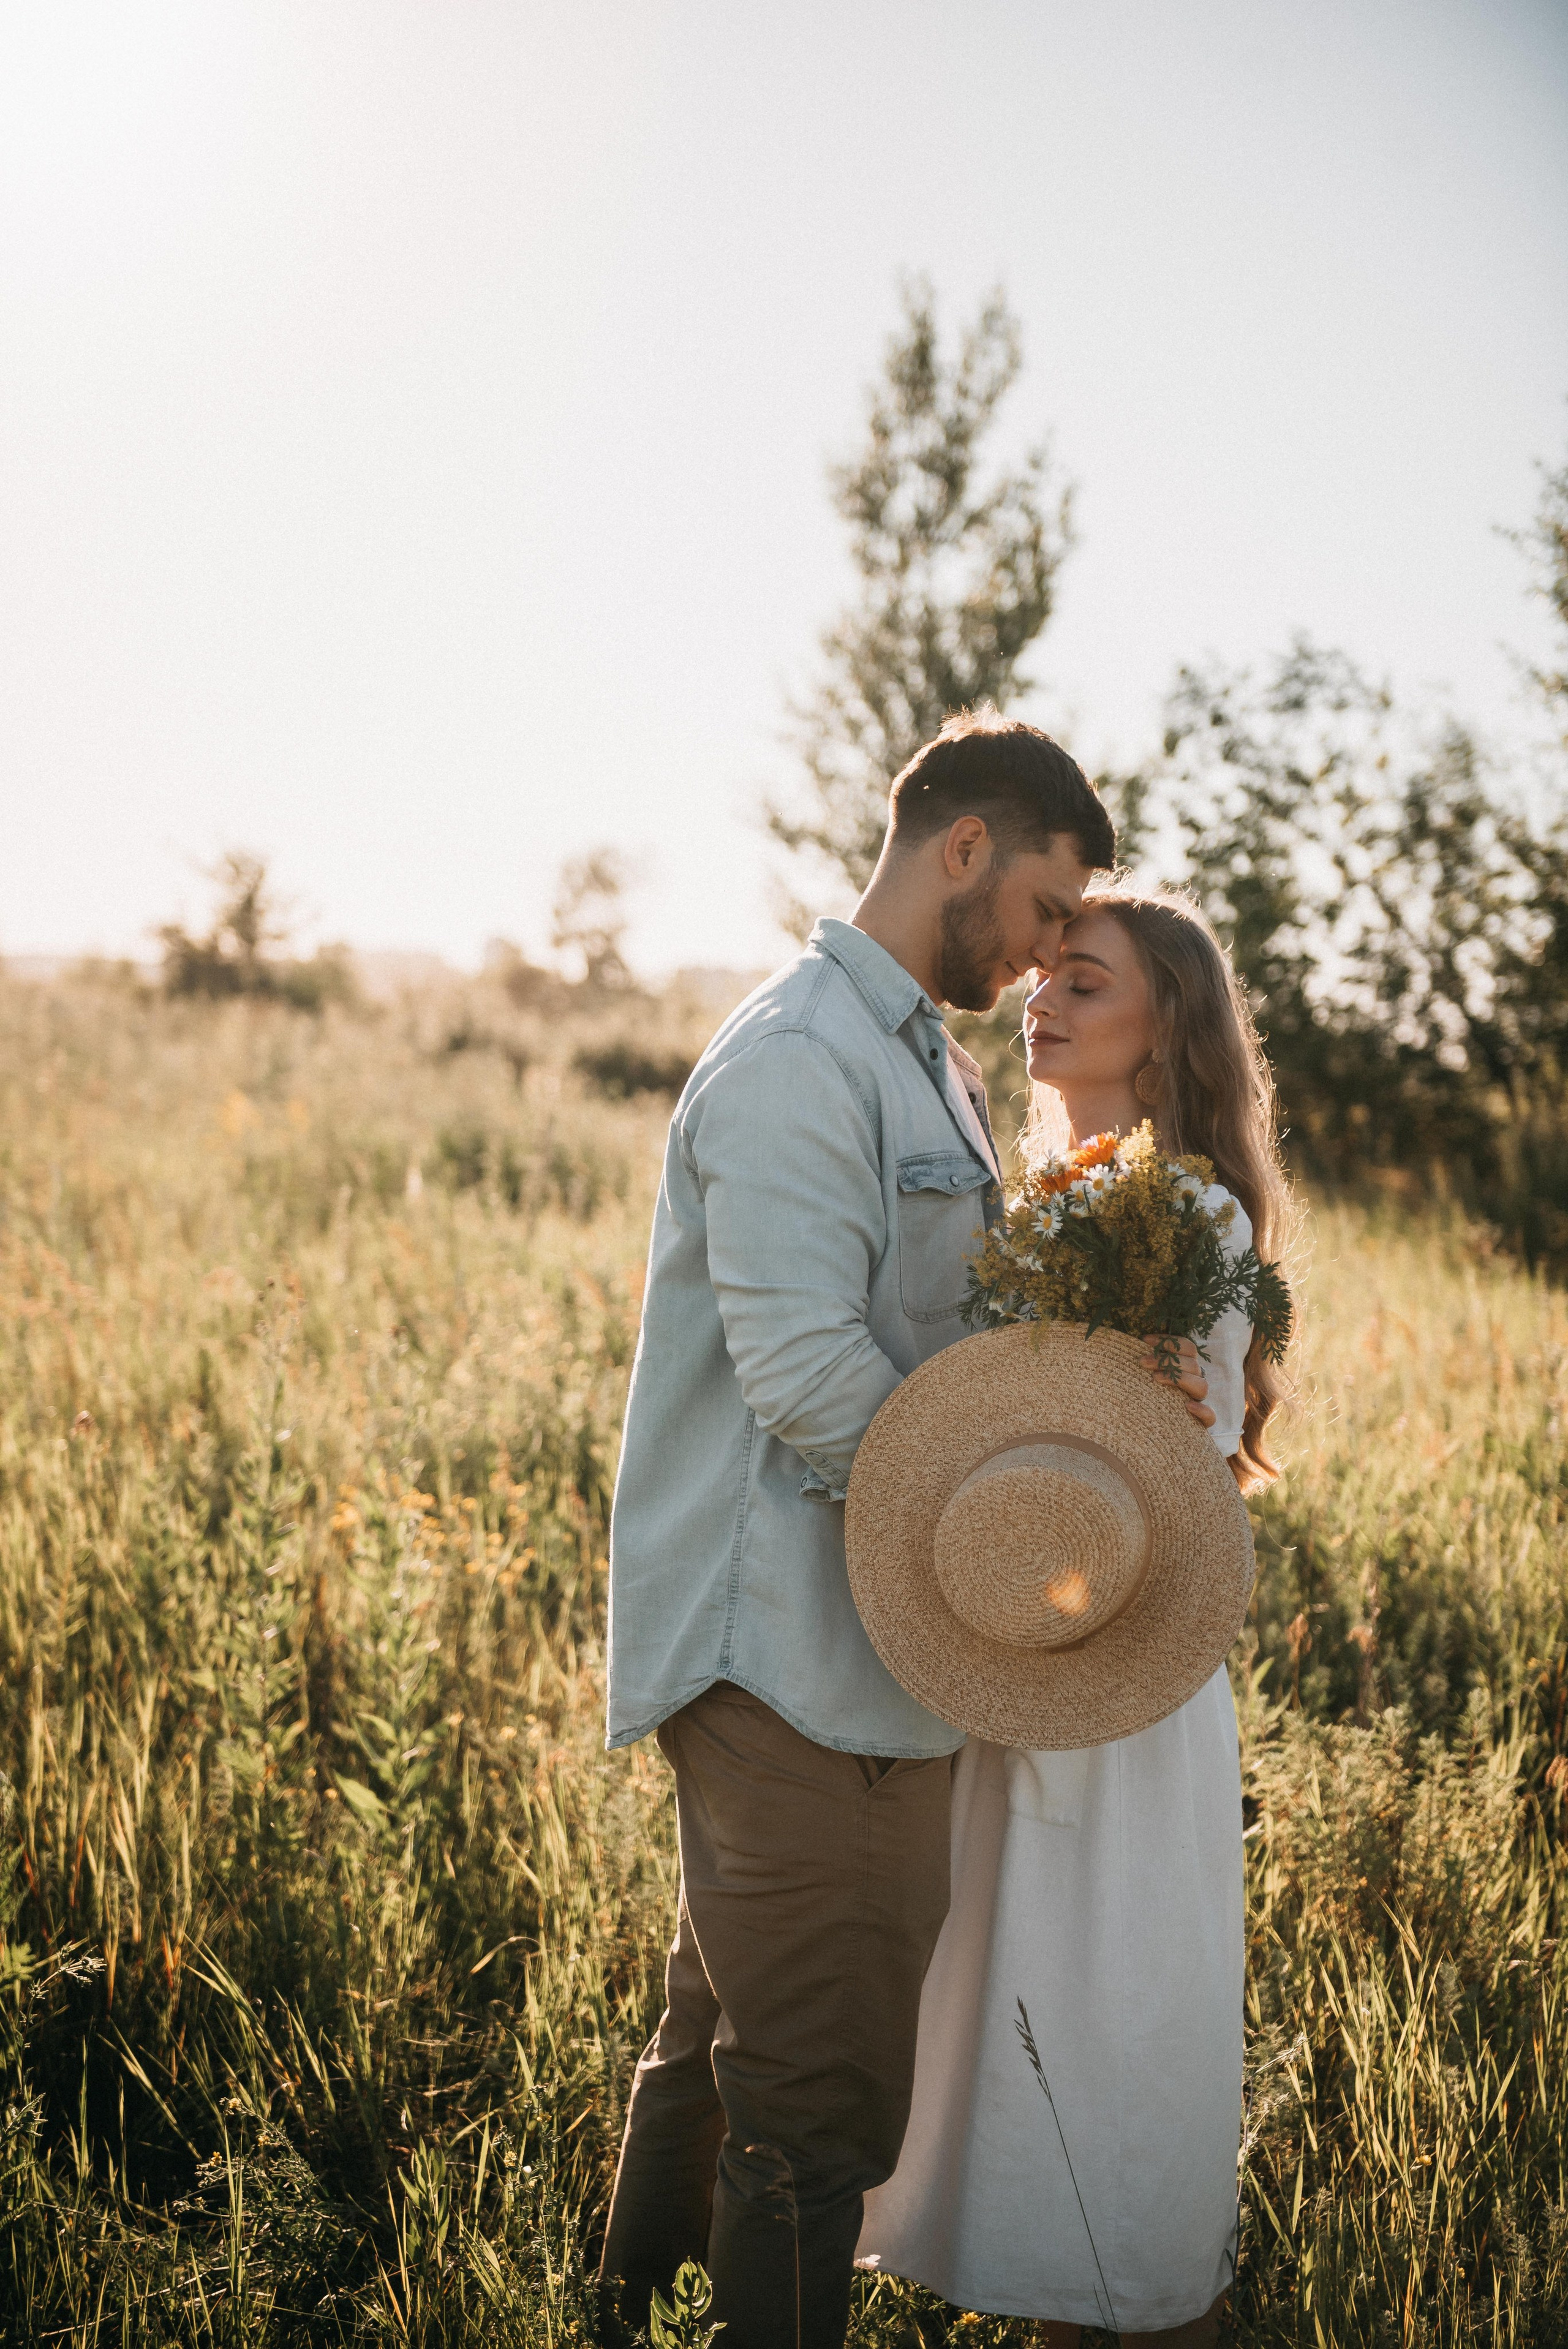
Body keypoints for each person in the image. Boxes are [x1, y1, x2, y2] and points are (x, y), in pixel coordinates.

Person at [597, 715, 1213, 2349]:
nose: (1036, 958)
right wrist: (992, 1538)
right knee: (821, 2123)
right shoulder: (805, 1055)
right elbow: (804, 1365)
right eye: (1039, 908)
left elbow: (952, 1331)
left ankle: (619, 2316)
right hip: (796, 1655)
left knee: (723, 2038)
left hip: (867, 1649)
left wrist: (1091, 1389)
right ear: (965, 851)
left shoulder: (919, 1057)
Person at [856, 885, 1297, 2346]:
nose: (1040, 998)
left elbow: (1201, 1425)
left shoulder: (1185, 1210)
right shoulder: (1033, 1189)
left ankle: (1143, 2302)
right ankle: (1064, 2298)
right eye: (1043, 976)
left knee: (1107, 2007)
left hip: (1121, 1674)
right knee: (1028, 2000)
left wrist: (1180, 1397)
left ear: (1162, 1030)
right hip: (1017, 1642)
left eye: (1083, 983)